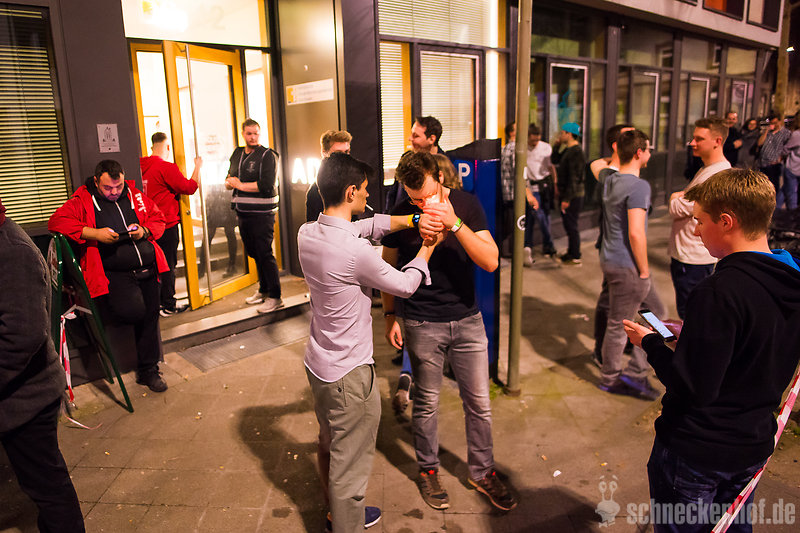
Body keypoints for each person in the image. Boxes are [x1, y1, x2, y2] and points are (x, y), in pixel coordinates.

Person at [624, 168, 800, 532]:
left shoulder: (719, 291)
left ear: (726, 221)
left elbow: (692, 388)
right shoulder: (790, 278)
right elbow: (756, 345)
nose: (696, 231)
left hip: (699, 451)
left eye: (700, 221)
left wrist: (651, 343)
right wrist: (694, 334)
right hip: (752, 443)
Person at [298, 152, 439, 533]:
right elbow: (405, 284)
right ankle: (345, 523)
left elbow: (366, 226)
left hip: (319, 365)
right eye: (362, 189)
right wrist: (428, 245)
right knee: (350, 469)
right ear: (349, 192)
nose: (367, 195)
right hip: (350, 376)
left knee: (330, 445)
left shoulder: (307, 233)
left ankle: (336, 516)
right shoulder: (354, 252)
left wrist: (412, 219)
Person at [381, 151, 518, 512]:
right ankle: (428, 470)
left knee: (479, 402)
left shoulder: (466, 205)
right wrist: (390, 315)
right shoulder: (402, 213)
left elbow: (490, 261)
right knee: (427, 403)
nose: (422, 204)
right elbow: (387, 270)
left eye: (427, 196)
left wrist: (455, 224)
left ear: (439, 178)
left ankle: (482, 472)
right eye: (414, 198)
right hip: (422, 322)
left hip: (467, 319)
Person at [1, 197, 85, 533]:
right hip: (15, 395)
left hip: (26, 398)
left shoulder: (13, 251)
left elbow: (20, 339)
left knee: (48, 489)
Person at [48, 160, 169, 392]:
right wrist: (94, 234)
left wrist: (143, 231)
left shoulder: (135, 195)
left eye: (118, 186)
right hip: (115, 273)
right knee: (134, 312)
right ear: (96, 182)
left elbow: (158, 218)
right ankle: (141, 363)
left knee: (150, 318)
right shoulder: (83, 200)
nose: (114, 192)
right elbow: (56, 222)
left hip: (148, 268)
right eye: (107, 188)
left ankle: (149, 371)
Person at [594, 130, 665, 400]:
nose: (650, 153)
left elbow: (597, 164)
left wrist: (618, 154)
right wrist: (644, 271)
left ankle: (635, 369)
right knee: (620, 324)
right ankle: (614, 377)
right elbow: (636, 233)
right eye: (648, 149)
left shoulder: (609, 179)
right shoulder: (639, 186)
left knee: (654, 312)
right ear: (639, 153)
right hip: (628, 266)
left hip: (610, 260)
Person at [668, 117, 730, 319]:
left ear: (717, 141)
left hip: (693, 257)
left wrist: (674, 197)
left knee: (690, 314)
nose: (692, 143)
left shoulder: (715, 175)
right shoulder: (706, 170)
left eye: (699, 138)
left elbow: (678, 208)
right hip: (689, 254)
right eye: (693, 138)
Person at [140, 132, 202, 316]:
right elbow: (189, 187)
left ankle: (156, 304)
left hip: (147, 226)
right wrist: (197, 166)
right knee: (167, 265)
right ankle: (168, 304)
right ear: (167, 147)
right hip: (166, 225)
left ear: (152, 146)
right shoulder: (166, 167)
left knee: (153, 266)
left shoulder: (140, 165)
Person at [225, 118, 282, 314]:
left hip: (262, 213)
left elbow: (266, 185)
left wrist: (240, 185)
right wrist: (230, 183)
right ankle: (264, 289)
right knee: (254, 252)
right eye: (249, 133)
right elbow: (230, 177)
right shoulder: (237, 153)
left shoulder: (268, 155)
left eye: (256, 133)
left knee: (264, 253)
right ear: (243, 134)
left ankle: (275, 296)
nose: (253, 137)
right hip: (243, 211)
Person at [589, 123, 635, 367]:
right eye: (631, 137)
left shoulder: (618, 171)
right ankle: (602, 350)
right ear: (618, 145)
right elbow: (596, 164)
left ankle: (620, 343)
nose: (638, 141)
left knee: (625, 298)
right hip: (616, 248)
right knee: (611, 299)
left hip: (625, 247)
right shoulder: (611, 175)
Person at [384, 116, 445, 212]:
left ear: (431, 139)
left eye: (416, 136)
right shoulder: (406, 158)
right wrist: (388, 215)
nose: (410, 139)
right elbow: (393, 192)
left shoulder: (444, 163)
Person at [551, 122, 586, 264]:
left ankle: (575, 255)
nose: (560, 135)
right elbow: (555, 160)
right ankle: (572, 252)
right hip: (569, 194)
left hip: (573, 196)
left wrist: (567, 199)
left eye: (562, 133)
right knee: (569, 224)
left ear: (569, 134)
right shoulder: (568, 150)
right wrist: (557, 146)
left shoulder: (576, 152)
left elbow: (574, 178)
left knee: (571, 225)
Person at [306, 129, 352, 222]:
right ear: (324, 153)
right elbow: (314, 228)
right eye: (338, 153)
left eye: (346, 152)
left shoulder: (351, 182)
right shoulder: (315, 192)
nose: (344, 158)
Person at [757, 112, 791, 208]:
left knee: (773, 186)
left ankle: (773, 206)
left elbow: (788, 148)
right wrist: (766, 131)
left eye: (775, 123)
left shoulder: (786, 133)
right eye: (772, 123)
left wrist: (780, 159)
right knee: (762, 186)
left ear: (779, 122)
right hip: (763, 162)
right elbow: (759, 143)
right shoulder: (768, 133)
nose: (774, 125)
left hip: (774, 164)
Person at [500, 121, 516, 258]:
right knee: (514, 225)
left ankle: (505, 250)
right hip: (514, 193)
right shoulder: (516, 148)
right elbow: (519, 173)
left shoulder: (504, 148)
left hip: (505, 192)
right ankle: (511, 251)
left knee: (508, 223)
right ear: (512, 132)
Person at [780, 113, 800, 210]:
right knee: (791, 192)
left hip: (795, 168)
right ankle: (792, 214)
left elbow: (786, 149)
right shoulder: (797, 135)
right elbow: (786, 149)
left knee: (787, 190)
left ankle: (775, 209)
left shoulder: (797, 134)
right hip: (793, 168)